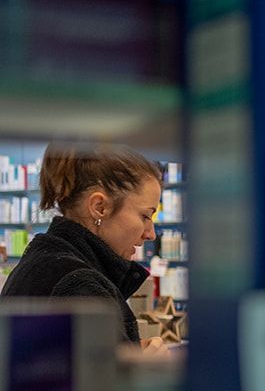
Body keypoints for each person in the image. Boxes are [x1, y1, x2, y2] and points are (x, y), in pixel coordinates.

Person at [0, 143, 162, 346]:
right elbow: (100, 377)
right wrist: (140, 370)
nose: (151, 234)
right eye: (145, 216)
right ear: (99, 207)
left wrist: (130, 352)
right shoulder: (80, 285)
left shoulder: (44, 260)